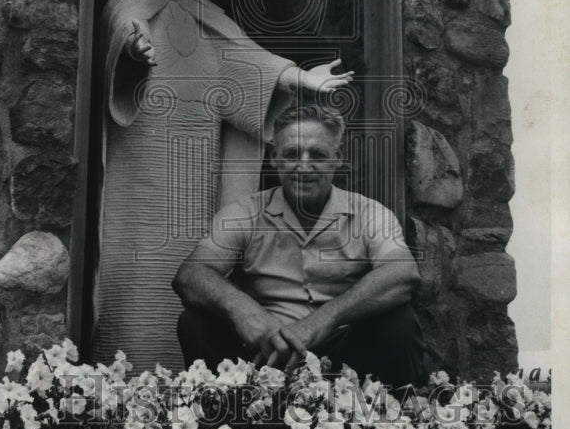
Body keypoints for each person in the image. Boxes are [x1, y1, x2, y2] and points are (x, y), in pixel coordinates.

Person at [90, 0, 353, 371]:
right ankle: (129, 375)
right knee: (142, 274)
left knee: (196, 267)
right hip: (143, 172)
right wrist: (133, 49)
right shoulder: (127, 6)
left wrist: (303, 80)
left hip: (195, 176)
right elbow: (125, 32)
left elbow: (250, 65)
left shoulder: (210, 20)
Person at [173, 104, 425, 387]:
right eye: (292, 154)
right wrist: (244, 311)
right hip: (262, 357)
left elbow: (403, 275)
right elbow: (190, 276)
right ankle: (228, 424)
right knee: (195, 323)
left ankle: (392, 425)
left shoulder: (369, 214)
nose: (304, 166)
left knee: (399, 322)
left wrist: (319, 323)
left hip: (345, 361)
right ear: (274, 158)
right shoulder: (244, 213)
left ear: (337, 158)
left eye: (317, 154)